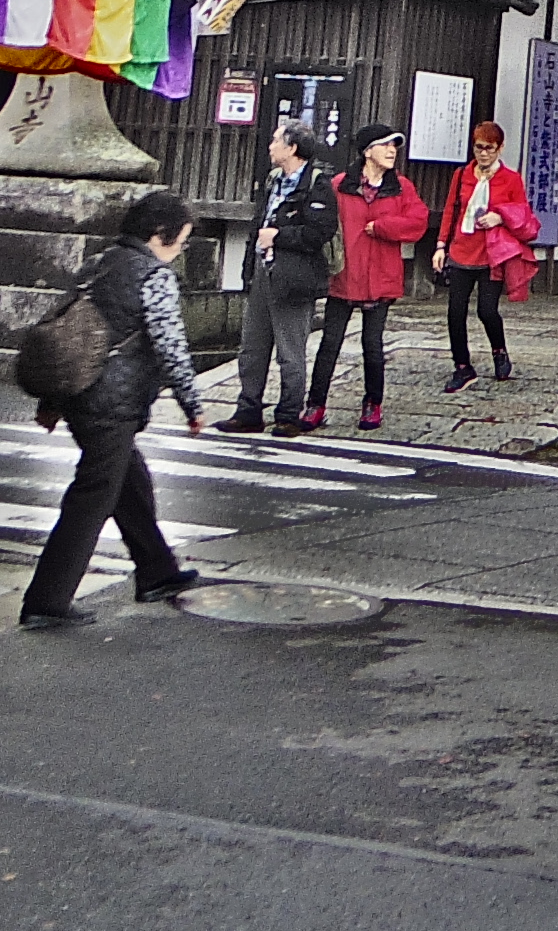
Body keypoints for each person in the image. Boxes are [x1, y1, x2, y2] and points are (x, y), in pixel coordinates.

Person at [19, 186, 209, 629]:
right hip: (113, 406)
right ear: (159, 234)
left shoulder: (97, 264)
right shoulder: (153, 276)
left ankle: (157, 572)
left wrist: (53, 401)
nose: (179, 251)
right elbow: (171, 347)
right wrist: (192, 404)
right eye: (181, 241)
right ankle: (46, 602)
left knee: (130, 485)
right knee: (91, 500)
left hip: (81, 397)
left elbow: (67, 337)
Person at [308, 123, 429, 430]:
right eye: (385, 145)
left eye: (394, 146)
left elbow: (418, 223)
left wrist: (384, 227)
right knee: (330, 343)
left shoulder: (402, 186)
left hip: (381, 277)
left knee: (372, 344)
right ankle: (315, 405)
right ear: (367, 151)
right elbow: (321, 221)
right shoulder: (340, 184)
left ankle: (373, 404)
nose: (392, 151)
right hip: (344, 275)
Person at [226, 122, 338, 435]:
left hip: (294, 276)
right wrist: (249, 267)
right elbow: (257, 225)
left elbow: (319, 232)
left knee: (290, 350)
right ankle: (248, 410)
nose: (271, 145)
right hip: (264, 270)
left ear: (292, 148)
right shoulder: (273, 180)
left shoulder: (317, 184)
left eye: (277, 140)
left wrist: (279, 236)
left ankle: (289, 413)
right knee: (252, 347)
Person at [437, 121, 540, 391]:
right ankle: (462, 366)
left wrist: (500, 217)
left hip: (492, 253)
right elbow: (451, 210)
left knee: (487, 310)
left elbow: (522, 214)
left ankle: (499, 350)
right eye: (479, 147)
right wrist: (440, 245)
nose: (483, 153)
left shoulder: (511, 179)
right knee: (455, 312)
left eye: (489, 148)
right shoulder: (461, 175)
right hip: (461, 249)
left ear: (500, 148)